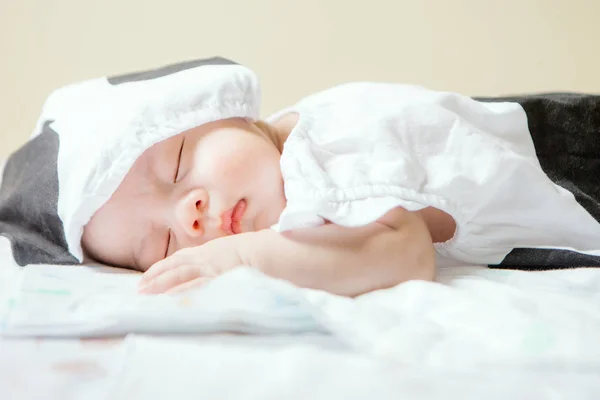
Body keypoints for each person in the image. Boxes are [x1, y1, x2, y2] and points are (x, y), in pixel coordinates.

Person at [81, 82, 600, 297]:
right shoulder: (297, 130)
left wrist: (241, 256)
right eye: (164, 244)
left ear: (223, 111)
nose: (188, 213)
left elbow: (402, 252)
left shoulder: (310, 157)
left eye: (177, 164)